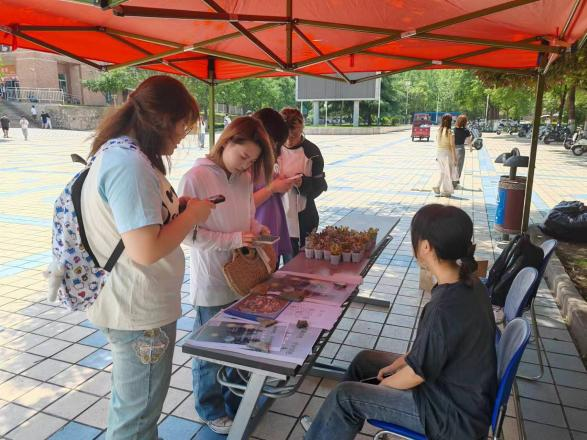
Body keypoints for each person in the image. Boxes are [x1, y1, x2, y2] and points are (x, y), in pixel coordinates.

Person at [81, 75, 214, 440]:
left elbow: (137, 228)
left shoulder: (119, 154)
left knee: (133, 409)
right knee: (137, 419)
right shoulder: (130, 165)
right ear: (162, 121)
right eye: (182, 126)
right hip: (139, 310)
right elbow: (145, 250)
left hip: (132, 303)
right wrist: (192, 215)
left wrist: (177, 209)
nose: (183, 136)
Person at [303, 204, 497, 440]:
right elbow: (434, 348)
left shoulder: (444, 308)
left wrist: (381, 389)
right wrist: (398, 364)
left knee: (345, 397)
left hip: (448, 415)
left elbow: (416, 374)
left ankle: (327, 427)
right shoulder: (470, 283)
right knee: (365, 361)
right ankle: (329, 427)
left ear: (425, 246)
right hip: (458, 392)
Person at [179, 116, 274, 434]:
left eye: (253, 161)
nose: (247, 165)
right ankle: (210, 408)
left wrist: (257, 228)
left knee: (240, 346)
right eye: (244, 156)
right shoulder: (196, 177)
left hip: (243, 277)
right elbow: (187, 233)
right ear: (227, 141)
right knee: (210, 351)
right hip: (212, 280)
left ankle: (237, 401)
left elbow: (246, 216)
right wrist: (233, 239)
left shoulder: (244, 177)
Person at [279, 107, 327, 258]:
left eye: (294, 134)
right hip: (275, 215)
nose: (289, 139)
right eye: (285, 135)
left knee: (296, 263)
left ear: (302, 127)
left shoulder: (312, 152)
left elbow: (319, 187)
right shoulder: (273, 149)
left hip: (303, 216)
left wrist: (303, 183)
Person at [252, 108, 294, 266]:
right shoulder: (245, 163)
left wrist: (279, 186)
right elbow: (243, 204)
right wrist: (272, 188)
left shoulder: (263, 160)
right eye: (274, 142)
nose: (276, 148)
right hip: (256, 238)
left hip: (270, 232)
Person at [432, 113, 457, 198]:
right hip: (447, 154)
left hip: (439, 153)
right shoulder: (450, 132)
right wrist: (455, 158)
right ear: (450, 121)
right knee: (447, 173)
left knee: (443, 171)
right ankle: (446, 191)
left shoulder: (439, 130)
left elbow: (437, 142)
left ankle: (437, 186)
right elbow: (452, 146)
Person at [453, 114, 471, 189]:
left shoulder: (454, 130)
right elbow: (469, 141)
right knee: (459, 166)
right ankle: (455, 183)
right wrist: (471, 148)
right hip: (460, 149)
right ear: (465, 122)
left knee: (453, 165)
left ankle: (451, 181)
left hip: (452, 149)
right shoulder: (466, 131)